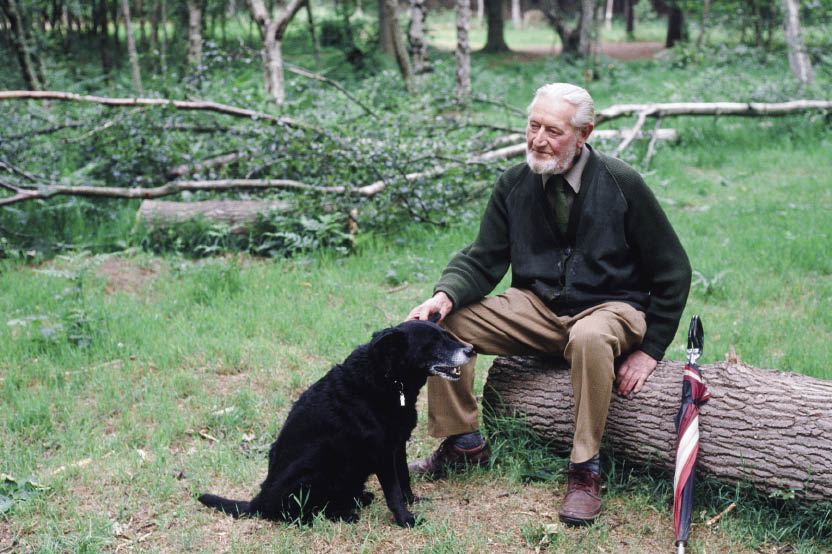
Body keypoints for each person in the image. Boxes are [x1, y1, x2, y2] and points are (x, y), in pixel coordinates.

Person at [405, 82, 691, 526]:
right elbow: (484, 257)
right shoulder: (515, 183)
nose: (538, 139)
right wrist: (444, 295)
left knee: (590, 336)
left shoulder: (622, 183)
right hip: (537, 310)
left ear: (584, 134)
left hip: (611, 310)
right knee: (447, 322)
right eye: (533, 126)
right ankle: (463, 441)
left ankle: (584, 472)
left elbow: (673, 269)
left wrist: (650, 350)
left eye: (553, 131)